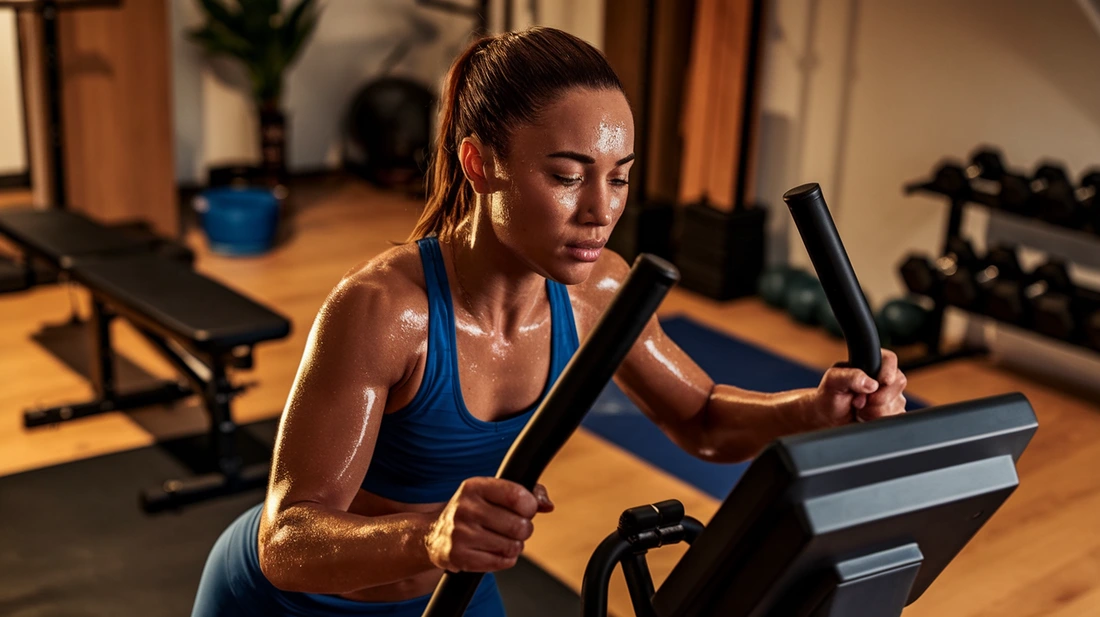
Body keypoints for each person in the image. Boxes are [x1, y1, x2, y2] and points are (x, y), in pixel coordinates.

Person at [190, 26, 907, 617]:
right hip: (292, 603)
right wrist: (433, 532)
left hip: (452, 591)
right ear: (479, 163)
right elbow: (285, 539)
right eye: (567, 176)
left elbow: (704, 419)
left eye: (619, 176)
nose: (600, 210)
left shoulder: (600, 292)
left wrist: (815, 408)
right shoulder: (385, 311)